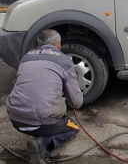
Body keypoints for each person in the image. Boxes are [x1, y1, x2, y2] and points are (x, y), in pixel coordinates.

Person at [6, 29, 83, 164]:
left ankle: (40, 135)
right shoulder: (64, 61)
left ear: (38, 45)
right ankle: (42, 144)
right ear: (58, 45)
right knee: (73, 129)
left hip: (16, 120)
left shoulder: (26, 58)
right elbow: (77, 103)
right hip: (42, 123)